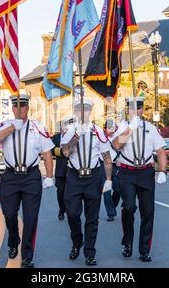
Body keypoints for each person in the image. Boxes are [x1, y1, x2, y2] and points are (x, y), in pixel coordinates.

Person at [0, 92, 54, 268]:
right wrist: (12, 128)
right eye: (16, 106)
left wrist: (49, 176)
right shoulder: (5, 125)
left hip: (31, 176)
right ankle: (13, 239)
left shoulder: (37, 126)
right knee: (9, 214)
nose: (20, 109)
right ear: (12, 108)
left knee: (31, 217)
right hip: (10, 177)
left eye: (23, 105)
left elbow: (47, 153)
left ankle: (27, 255)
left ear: (28, 107)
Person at [112, 96, 168, 262]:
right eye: (133, 108)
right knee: (128, 207)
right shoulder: (122, 127)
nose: (136, 112)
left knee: (148, 211)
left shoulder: (150, 128)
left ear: (142, 110)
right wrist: (130, 129)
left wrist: (163, 171)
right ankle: (127, 242)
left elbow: (160, 151)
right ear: (128, 110)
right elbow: (116, 146)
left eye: (139, 108)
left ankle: (144, 249)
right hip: (127, 172)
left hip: (145, 172)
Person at [60, 99, 113, 266]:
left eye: (87, 110)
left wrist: (109, 179)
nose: (84, 113)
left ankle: (90, 252)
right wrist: (76, 136)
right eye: (80, 110)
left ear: (91, 112)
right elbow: (66, 152)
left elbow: (106, 156)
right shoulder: (68, 131)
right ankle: (77, 241)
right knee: (73, 213)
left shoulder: (98, 131)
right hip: (74, 177)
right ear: (75, 111)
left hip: (93, 177)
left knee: (92, 218)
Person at [51, 116, 76, 220]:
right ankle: (62, 210)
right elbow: (52, 150)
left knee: (72, 193)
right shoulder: (56, 137)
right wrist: (63, 152)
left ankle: (71, 211)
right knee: (60, 192)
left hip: (73, 170)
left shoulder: (76, 136)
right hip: (61, 170)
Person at [103, 118, 121, 222]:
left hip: (116, 166)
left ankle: (112, 206)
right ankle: (111, 213)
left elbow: (124, 150)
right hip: (105, 167)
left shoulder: (118, 138)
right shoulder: (101, 138)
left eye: (113, 128)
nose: (111, 130)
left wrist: (120, 159)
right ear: (105, 129)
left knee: (118, 190)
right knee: (106, 190)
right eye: (109, 128)